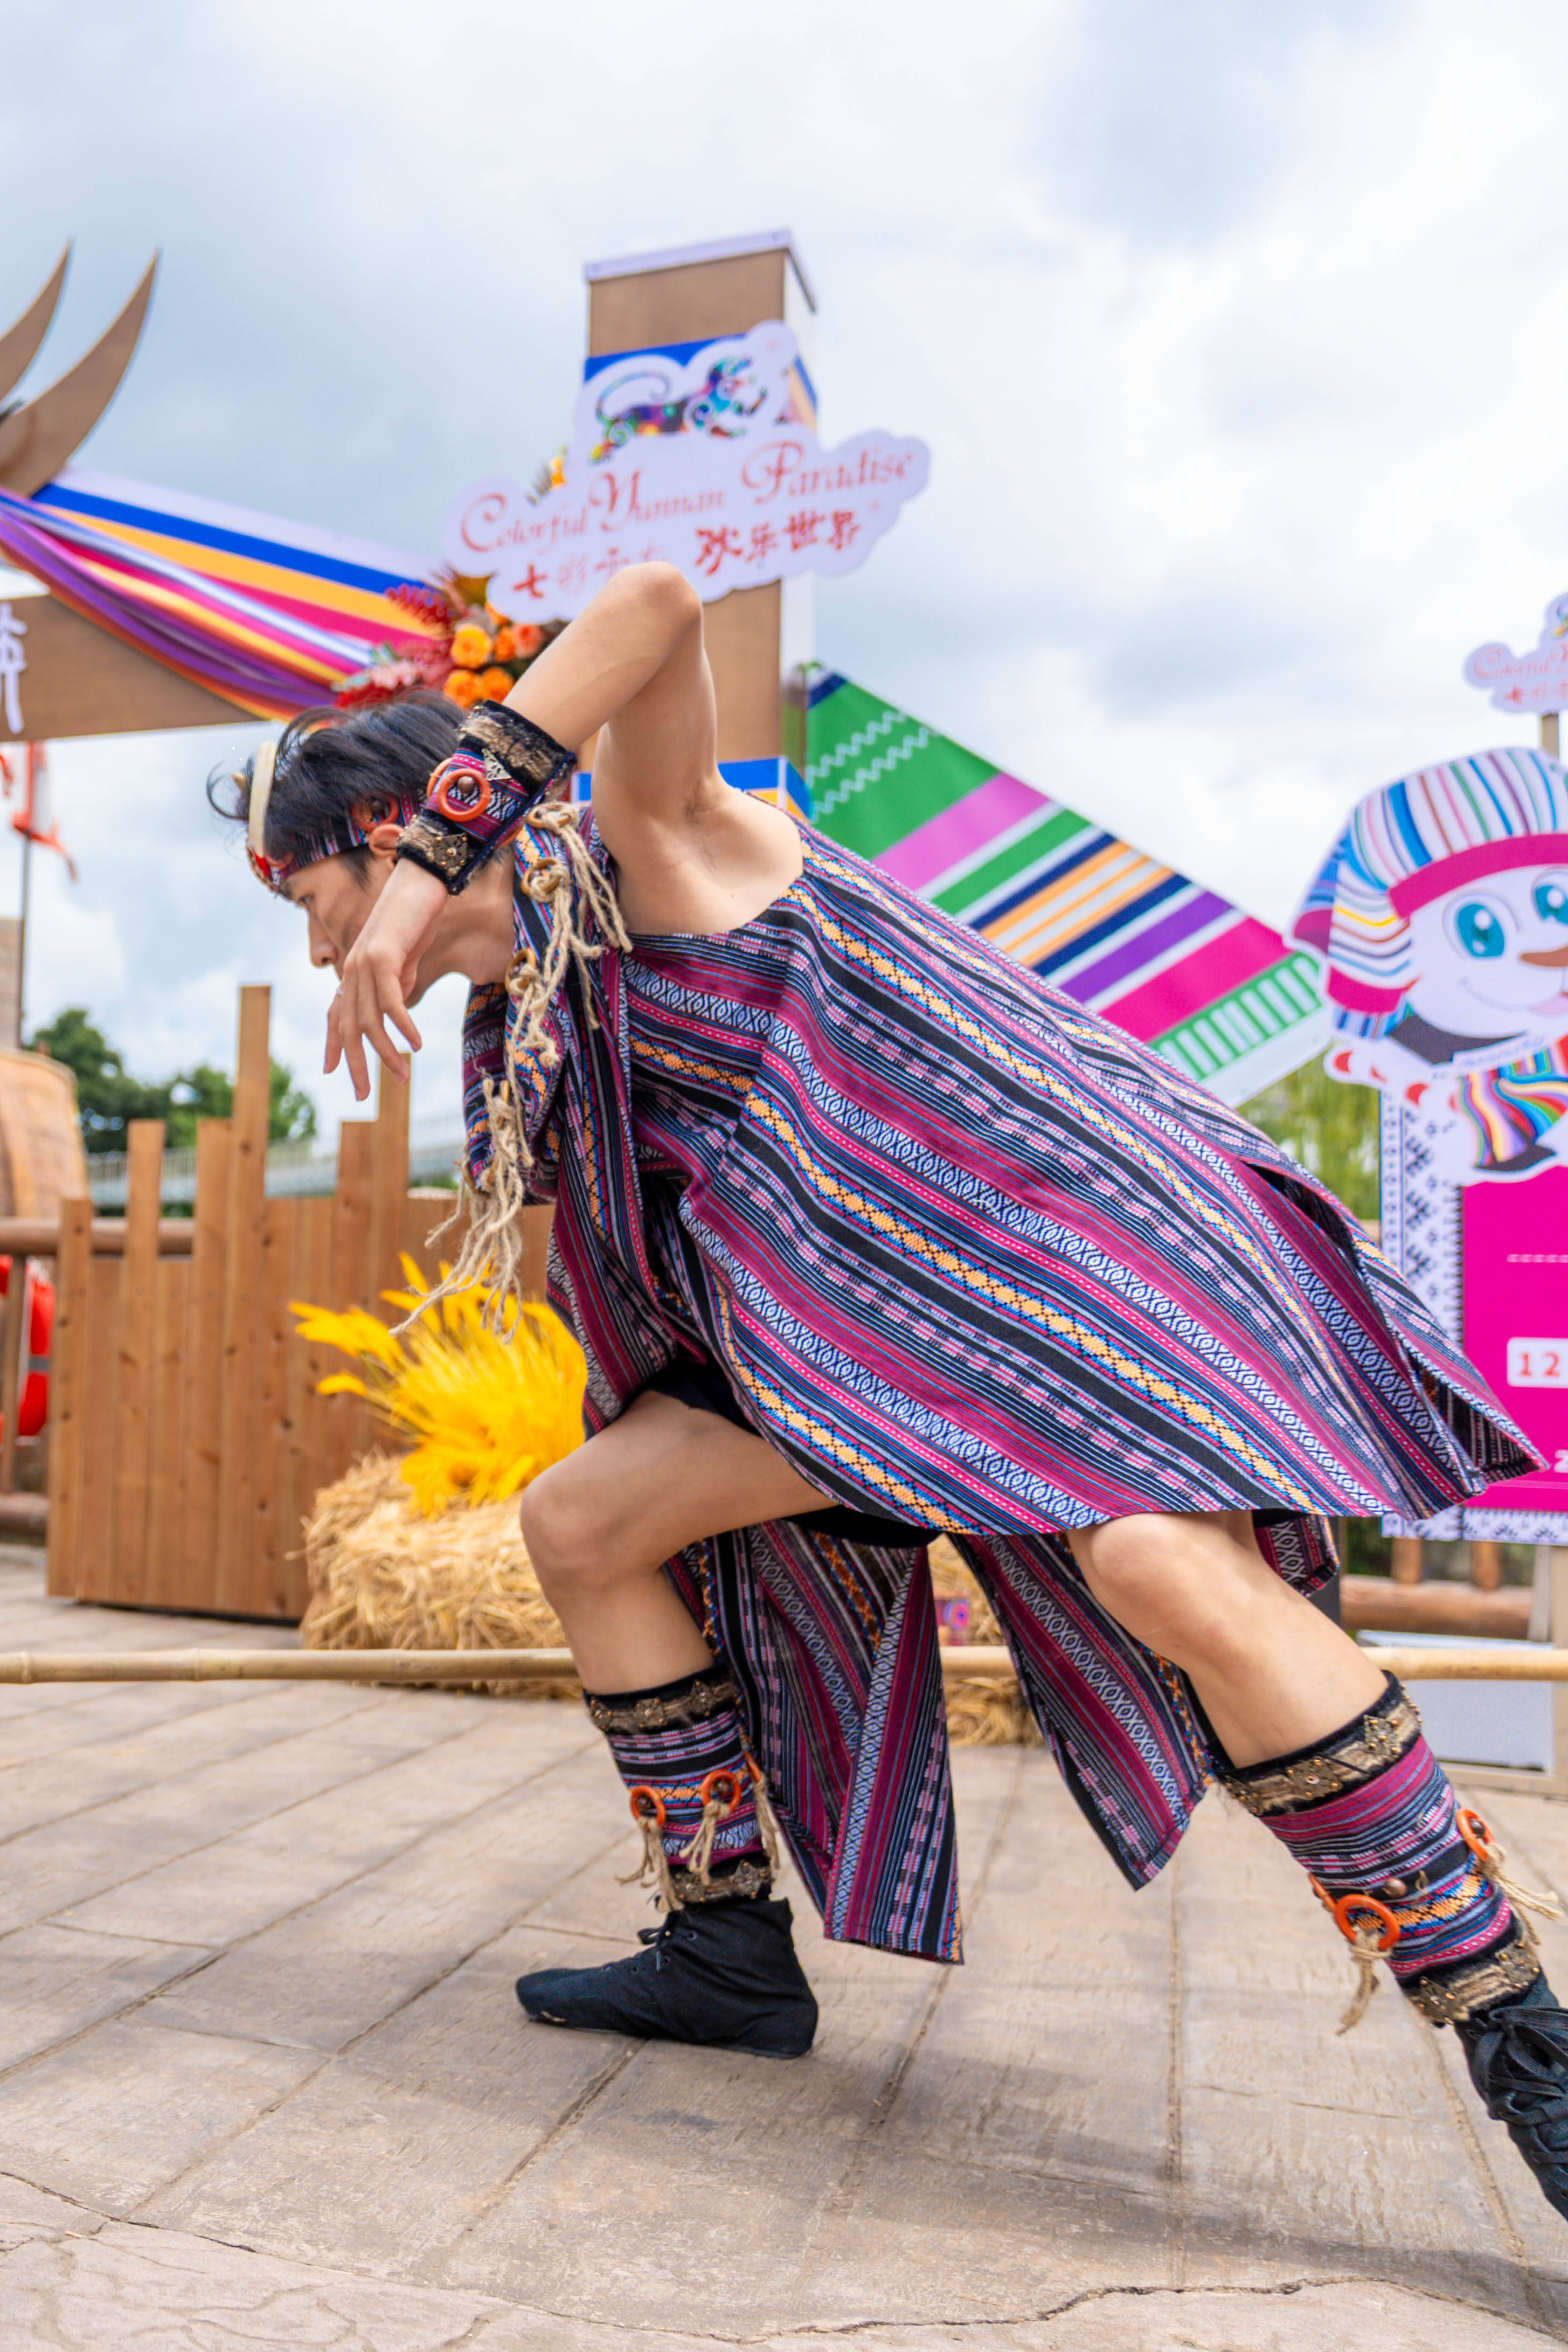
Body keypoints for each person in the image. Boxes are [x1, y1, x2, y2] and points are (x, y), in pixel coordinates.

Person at [259, 560, 1568, 2222]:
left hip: (1070, 1251)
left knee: (1161, 1569)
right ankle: (724, 1952)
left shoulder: (655, 848)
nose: (308, 928)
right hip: (871, 1357)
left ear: (380, 835)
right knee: (582, 1523)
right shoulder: (525, 1015)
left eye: (303, 882)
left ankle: (1528, 2049)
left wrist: (433, 862)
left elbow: (654, 601)